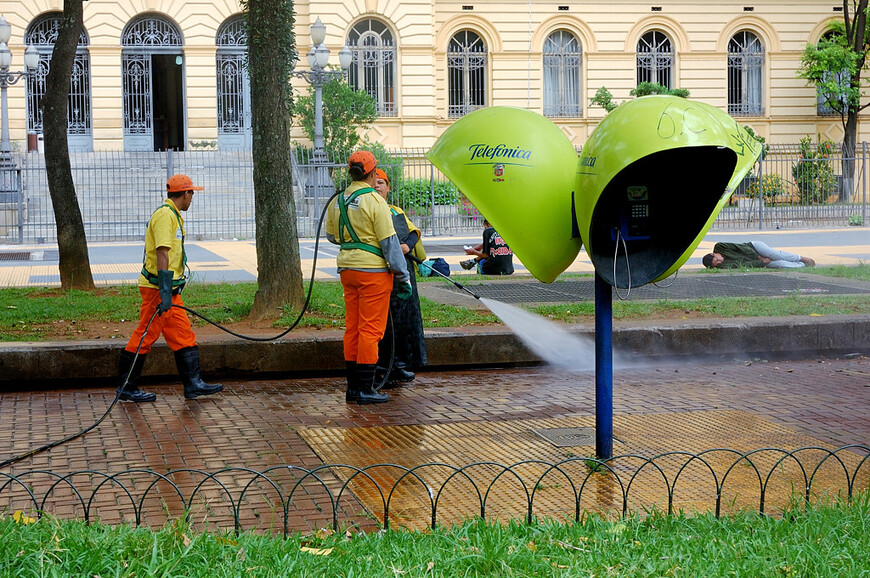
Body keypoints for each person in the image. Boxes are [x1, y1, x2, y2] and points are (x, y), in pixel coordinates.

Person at [116, 174, 224, 403]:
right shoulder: (165, 216)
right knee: (145, 334)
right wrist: (164, 291)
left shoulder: (173, 215)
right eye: (192, 193)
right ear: (185, 194)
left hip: (170, 291)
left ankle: (193, 385)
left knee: (183, 334)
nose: (193, 198)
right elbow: (162, 252)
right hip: (158, 290)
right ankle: (127, 388)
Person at [325, 151, 412, 405]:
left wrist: (354, 240)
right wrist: (403, 276)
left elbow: (332, 236)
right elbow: (389, 243)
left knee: (353, 327)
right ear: (373, 173)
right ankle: (365, 388)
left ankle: (353, 387)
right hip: (373, 273)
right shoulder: (375, 201)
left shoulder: (338, 200)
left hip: (348, 271)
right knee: (371, 330)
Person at [374, 168, 428, 386]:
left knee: (402, 321)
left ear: (388, 188)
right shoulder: (370, 210)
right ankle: (381, 367)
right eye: (374, 182)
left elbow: (414, 232)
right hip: (381, 272)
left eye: (381, 183)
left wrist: (407, 246)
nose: (377, 186)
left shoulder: (397, 211)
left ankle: (398, 365)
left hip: (402, 274)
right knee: (384, 322)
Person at [702, 241, 816, 269]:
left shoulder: (721, 247)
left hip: (754, 247)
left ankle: (802, 258)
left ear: (714, 254)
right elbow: (743, 264)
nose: (719, 262)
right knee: (780, 265)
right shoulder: (723, 266)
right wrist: (762, 262)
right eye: (716, 264)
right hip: (759, 261)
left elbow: (742, 248)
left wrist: (759, 257)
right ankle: (802, 265)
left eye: (717, 259)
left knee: (776, 255)